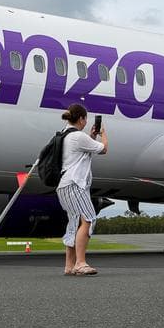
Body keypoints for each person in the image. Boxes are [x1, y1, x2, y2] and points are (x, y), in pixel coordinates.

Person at [55, 103, 107, 277]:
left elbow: (81, 153)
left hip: (64, 185)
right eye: (85, 119)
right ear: (81, 119)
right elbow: (104, 149)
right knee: (89, 219)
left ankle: (69, 265)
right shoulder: (78, 136)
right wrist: (103, 134)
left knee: (74, 223)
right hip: (75, 184)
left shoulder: (65, 135)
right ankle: (80, 263)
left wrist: (91, 136)